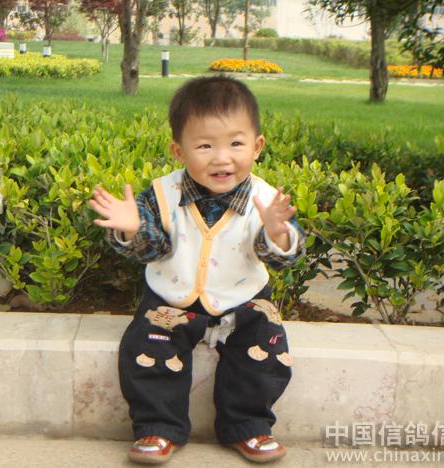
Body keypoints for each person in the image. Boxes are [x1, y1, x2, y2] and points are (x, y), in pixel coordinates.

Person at [88, 75, 305, 465]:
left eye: (235, 144)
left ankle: (249, 426)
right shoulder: (161, 194)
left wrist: (278, 234)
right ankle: (158, 426)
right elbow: (154, 249)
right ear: (178, 150)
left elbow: (279, 257)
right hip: (171, 297)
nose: (221, 158)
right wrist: (133, 229)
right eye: (205, 145)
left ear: (257, 146)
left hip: (243, 299)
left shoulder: (267, 200)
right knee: (148, 345)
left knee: (265, 347)